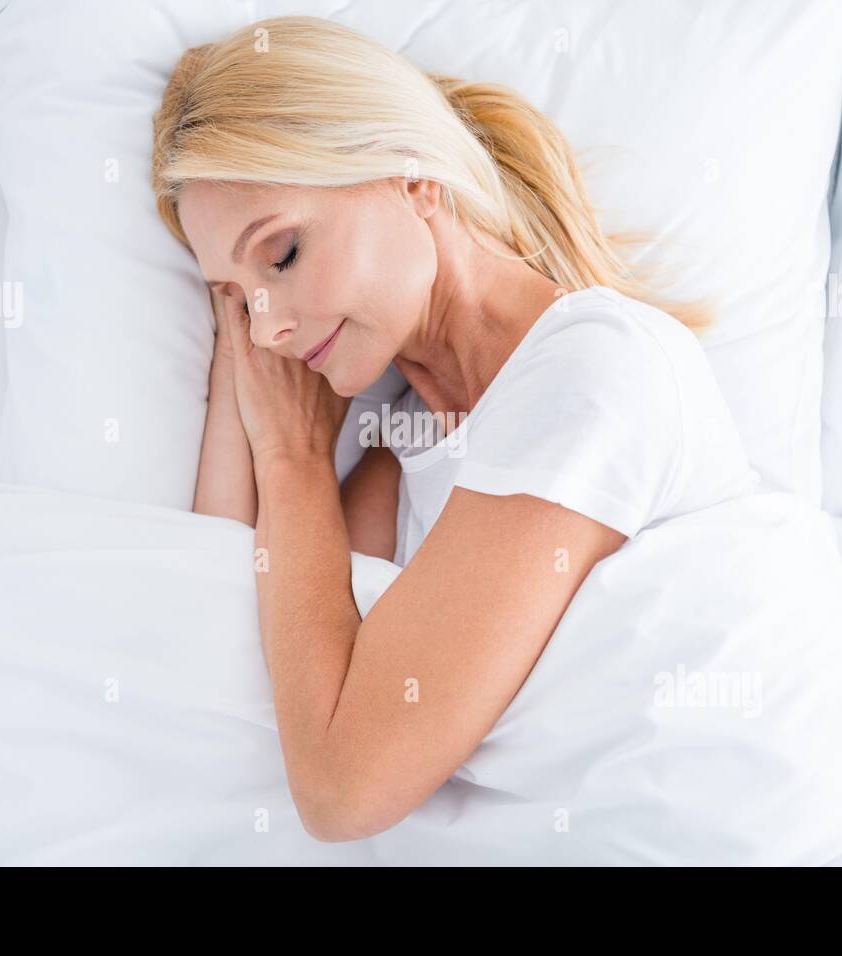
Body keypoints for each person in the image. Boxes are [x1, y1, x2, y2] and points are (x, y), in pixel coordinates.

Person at [151, 16, 757, 841]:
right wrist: (250, 398)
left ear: (410, 176)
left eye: (283, 253)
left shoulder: (595, 370)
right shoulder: (398, 458)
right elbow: (213, 688)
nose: (265, 332)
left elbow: (341, 789)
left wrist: (292, 460)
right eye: (232, 297)